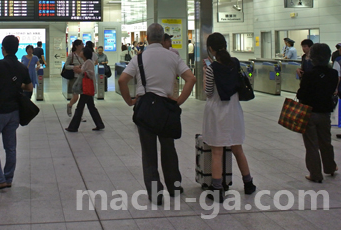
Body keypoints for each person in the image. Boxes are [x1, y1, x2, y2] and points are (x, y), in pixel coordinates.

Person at [118, 23, 196, 204]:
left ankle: (155, 193)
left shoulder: (139, 58)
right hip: (166, 108)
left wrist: (129, 101)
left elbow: (123, 80)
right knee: (169, 149)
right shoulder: (172, 56)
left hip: (145, 108)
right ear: (162, 38)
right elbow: (190, 78)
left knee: (149, 152)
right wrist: (179, 100)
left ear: (146, 38)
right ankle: (174, 186)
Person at [202, 32, 256, 202]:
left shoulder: (211, 69)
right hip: (234, 111)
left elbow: (208, 92)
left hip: (217, 111)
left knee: (217, 151)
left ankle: (217, 189)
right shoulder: (235, 63)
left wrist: (205, 74)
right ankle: (248, 183)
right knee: (237, 148)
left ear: (210, 49)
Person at [0, 35, 32, 191]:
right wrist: (16, 86)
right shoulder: (21, 67)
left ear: (2, 48)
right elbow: (29, 88)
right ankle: (8, 178)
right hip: (14, 111)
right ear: (17, 49)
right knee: (10, 146)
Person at [297, 43, 338, 183]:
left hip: (309, 113)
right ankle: (330, 167)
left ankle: (315, 174)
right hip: (325, 112)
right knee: (326, 142)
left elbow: (301, 94)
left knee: (312, 145)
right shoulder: (333, 74)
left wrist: (301, 79)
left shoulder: (309, 75)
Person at [65, 47, 105, 132]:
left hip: (86, 88)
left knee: (80, 107)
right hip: (86, 88)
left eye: (82, 51)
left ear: (85, 53)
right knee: (91, 107)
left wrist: (81, 71)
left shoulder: (89, 62)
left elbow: (90, 74)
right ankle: (99, 124)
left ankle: (73, 127)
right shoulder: (86, 62)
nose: (81, 52)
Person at [66, 39, 84, 117]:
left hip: (83, 77)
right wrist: (74, 67)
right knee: (76, 97)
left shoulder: (84, 55)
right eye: (81, 44)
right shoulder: (71, 55)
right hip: (74, 78)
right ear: (76, 46)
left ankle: (79, 115)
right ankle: (69, 105)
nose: (83, 46)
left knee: (83, 98)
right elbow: (66, 66)